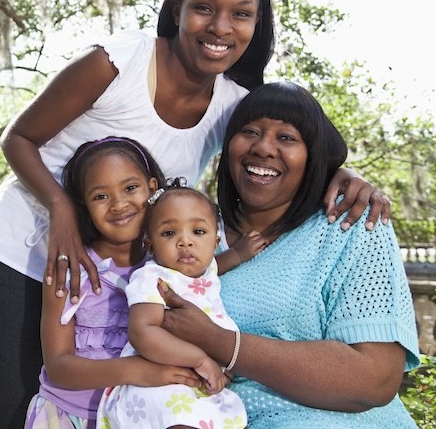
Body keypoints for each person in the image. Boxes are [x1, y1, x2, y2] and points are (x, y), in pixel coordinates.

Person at [0, 0, 390, 428]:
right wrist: (62, 212)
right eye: (205, 7)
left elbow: (296, 140)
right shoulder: (119, 62)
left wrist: (344, 175)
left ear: (257, 26)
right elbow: (18, 137)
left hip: (125, 273)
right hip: (27, 253)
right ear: (178, 9)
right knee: (32, 400)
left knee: (111, 404)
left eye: (242, 14)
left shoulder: (235, 101)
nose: (220, 27)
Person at [158, 81, 420, 428]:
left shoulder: (354, 226)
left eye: (287, 138)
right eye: (250, 131)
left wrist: (220, 342)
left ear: (311, 156)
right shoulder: (184, 235)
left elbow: (374, 379)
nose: (264, 147)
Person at [24, 136, 200, 428]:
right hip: (68, 415)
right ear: (84, 206)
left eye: (130, 188)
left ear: (152, 189)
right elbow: (57, 367)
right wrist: (138, 371)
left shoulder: (172, 268)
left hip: (140, 416)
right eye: (100, 196)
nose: (119, 204)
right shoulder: (68, 270)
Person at [98, 181, 249, 428]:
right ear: (151, 246)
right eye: (169, 233)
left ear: (215, 242)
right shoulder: (152, 278)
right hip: (157, 378)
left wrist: (240, 254)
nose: (185, 242)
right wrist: (199, 359)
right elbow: (142, 333)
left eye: (198, 232)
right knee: (180, 417)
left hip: (197, 382)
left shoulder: (205, 270)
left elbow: (216, 265)